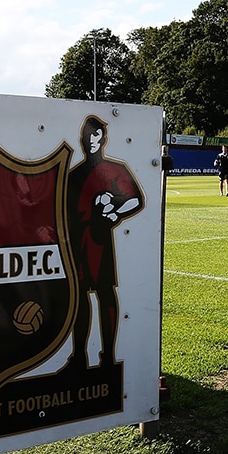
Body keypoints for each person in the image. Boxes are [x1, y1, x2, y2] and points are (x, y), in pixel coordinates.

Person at [67, 115, 143, 370]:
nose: (92, 141)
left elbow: (135, 199)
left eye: (96, 136)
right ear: (82, 139)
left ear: (103, 140)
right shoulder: (73, 175)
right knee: (79, 299)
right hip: (77, 243)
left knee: (104, 294)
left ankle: (108, 357)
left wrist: (117, 210)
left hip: (100, 242)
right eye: (88, 136)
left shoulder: (114, 170)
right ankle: (79, 357)